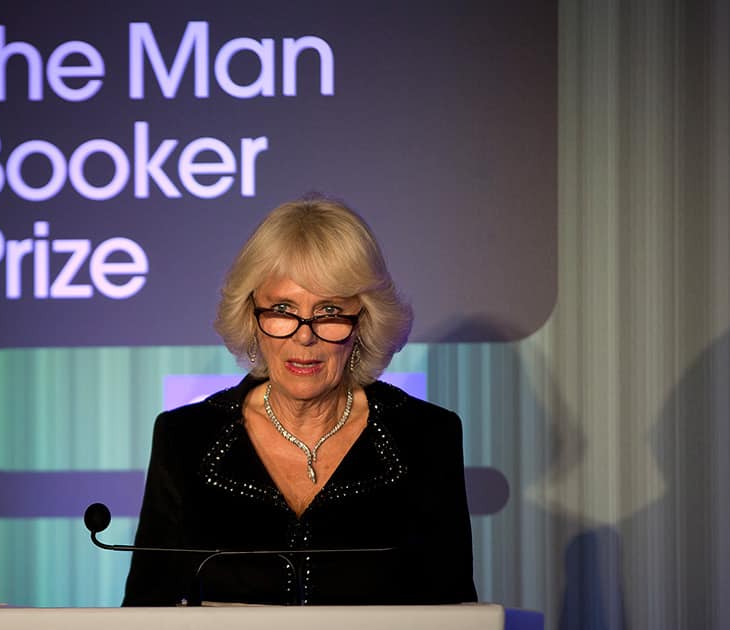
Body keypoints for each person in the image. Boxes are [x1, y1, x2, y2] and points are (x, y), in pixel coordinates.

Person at [122, 195, 477, 606]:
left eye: (328, 310)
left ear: (363, 322)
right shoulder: (186, 438)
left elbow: (455, 611)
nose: (303, 335)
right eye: (282, 309)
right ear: (251, 317)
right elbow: (145, 611)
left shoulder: (426, 436)